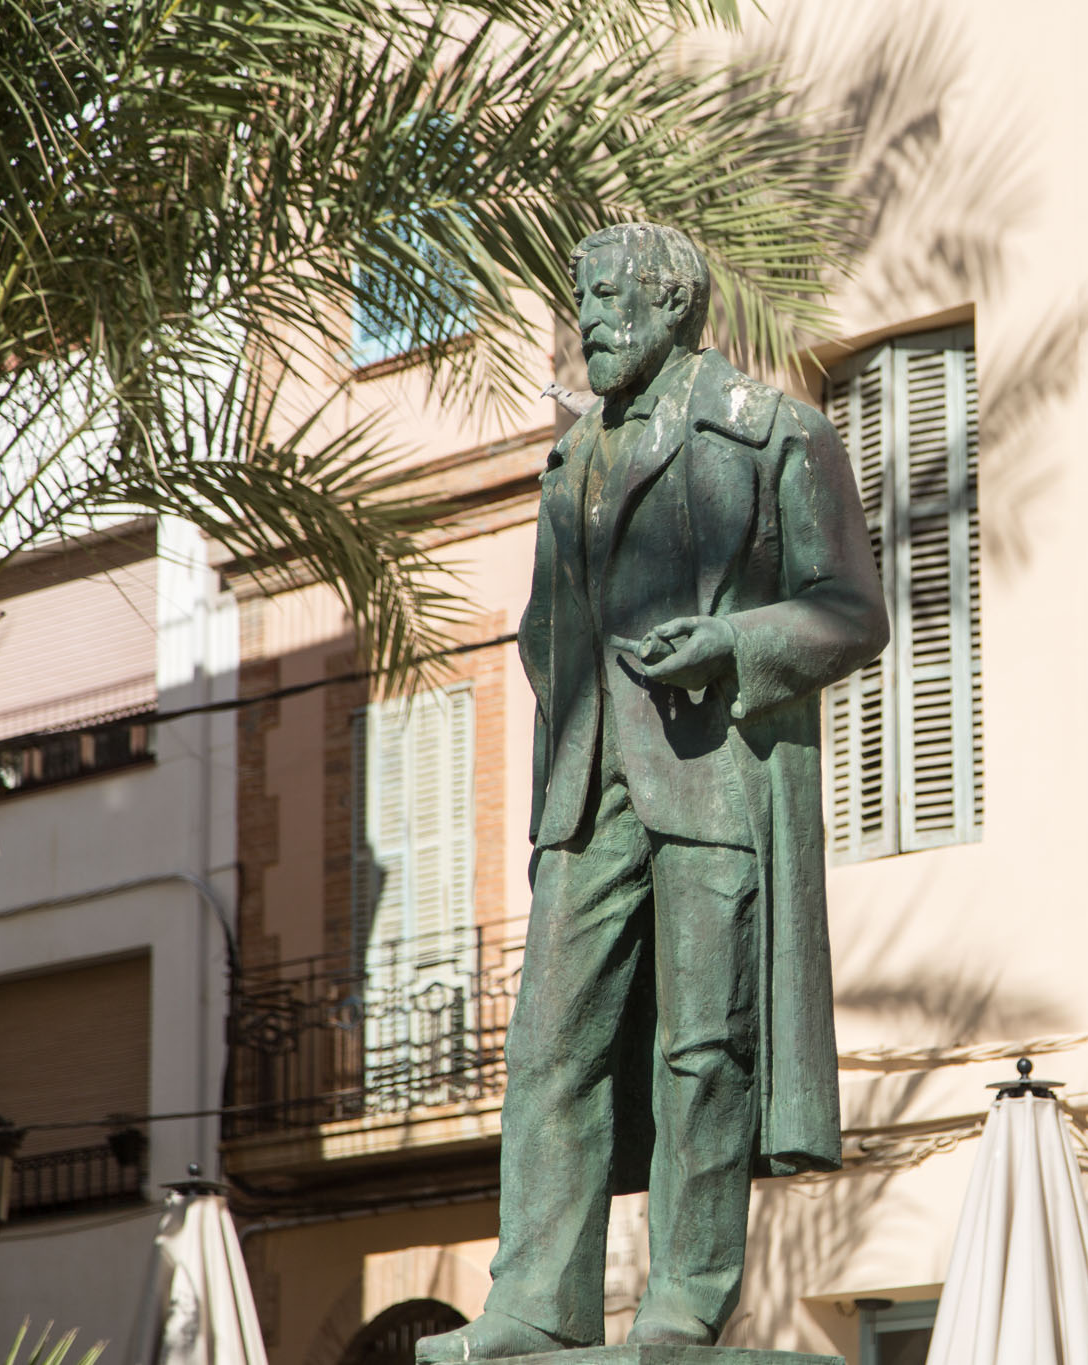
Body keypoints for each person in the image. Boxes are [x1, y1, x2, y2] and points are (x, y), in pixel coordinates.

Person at [417, 222, 889, 1359]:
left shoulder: (773, 432)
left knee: (704, 1048)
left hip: (713, 780)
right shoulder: (572, 457)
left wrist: (731, 643)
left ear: (675, 303)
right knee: (548, 1047)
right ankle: (537, 1301)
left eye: (609, 296)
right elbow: (549, 628)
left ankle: (684, 1298)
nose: (588, 319)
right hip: (588, 790)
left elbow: (850, 613)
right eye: (581, 297)